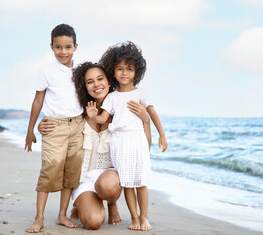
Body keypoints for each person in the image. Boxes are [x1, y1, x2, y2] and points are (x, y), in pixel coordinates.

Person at [37, 62, 151, 230]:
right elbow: (61, 129)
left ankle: (112, 203)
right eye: (90, 82)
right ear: (85, 87)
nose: (96, 84)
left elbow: (144, 146)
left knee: (108, 186)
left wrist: (146, 119)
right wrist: (41, 127)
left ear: (109, 81)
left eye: (100, 79)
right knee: (93, 222)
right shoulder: (78, 113)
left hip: (110, 176)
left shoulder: (122, 113)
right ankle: (82, 205)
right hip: (83, 179)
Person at [86, 41, 168, 231]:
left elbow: (152, 115)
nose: (124, 73)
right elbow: (103, 118)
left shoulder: (142, 93)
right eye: (120, 69)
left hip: (138, 140)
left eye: (129, 69)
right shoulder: (112, 97)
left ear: (136, 72)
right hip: (120, 142)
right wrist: (93, 116)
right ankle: (134, 218)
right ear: (113, 72)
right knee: (127, 182)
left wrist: (162, 136)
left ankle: (144, 217)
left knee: (141, 181)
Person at [24, 24, 84, 233]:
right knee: (50, 169)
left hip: (78, 125)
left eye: (68, 47)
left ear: (75, 46)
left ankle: (61, 215)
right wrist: (31, 129)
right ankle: (39, 218)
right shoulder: (46, 70)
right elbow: (37, 100)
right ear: (52, 47)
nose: (63, 52)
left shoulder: (80, 71)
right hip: (53, 126)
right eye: (58, 47)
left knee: (71, 172)